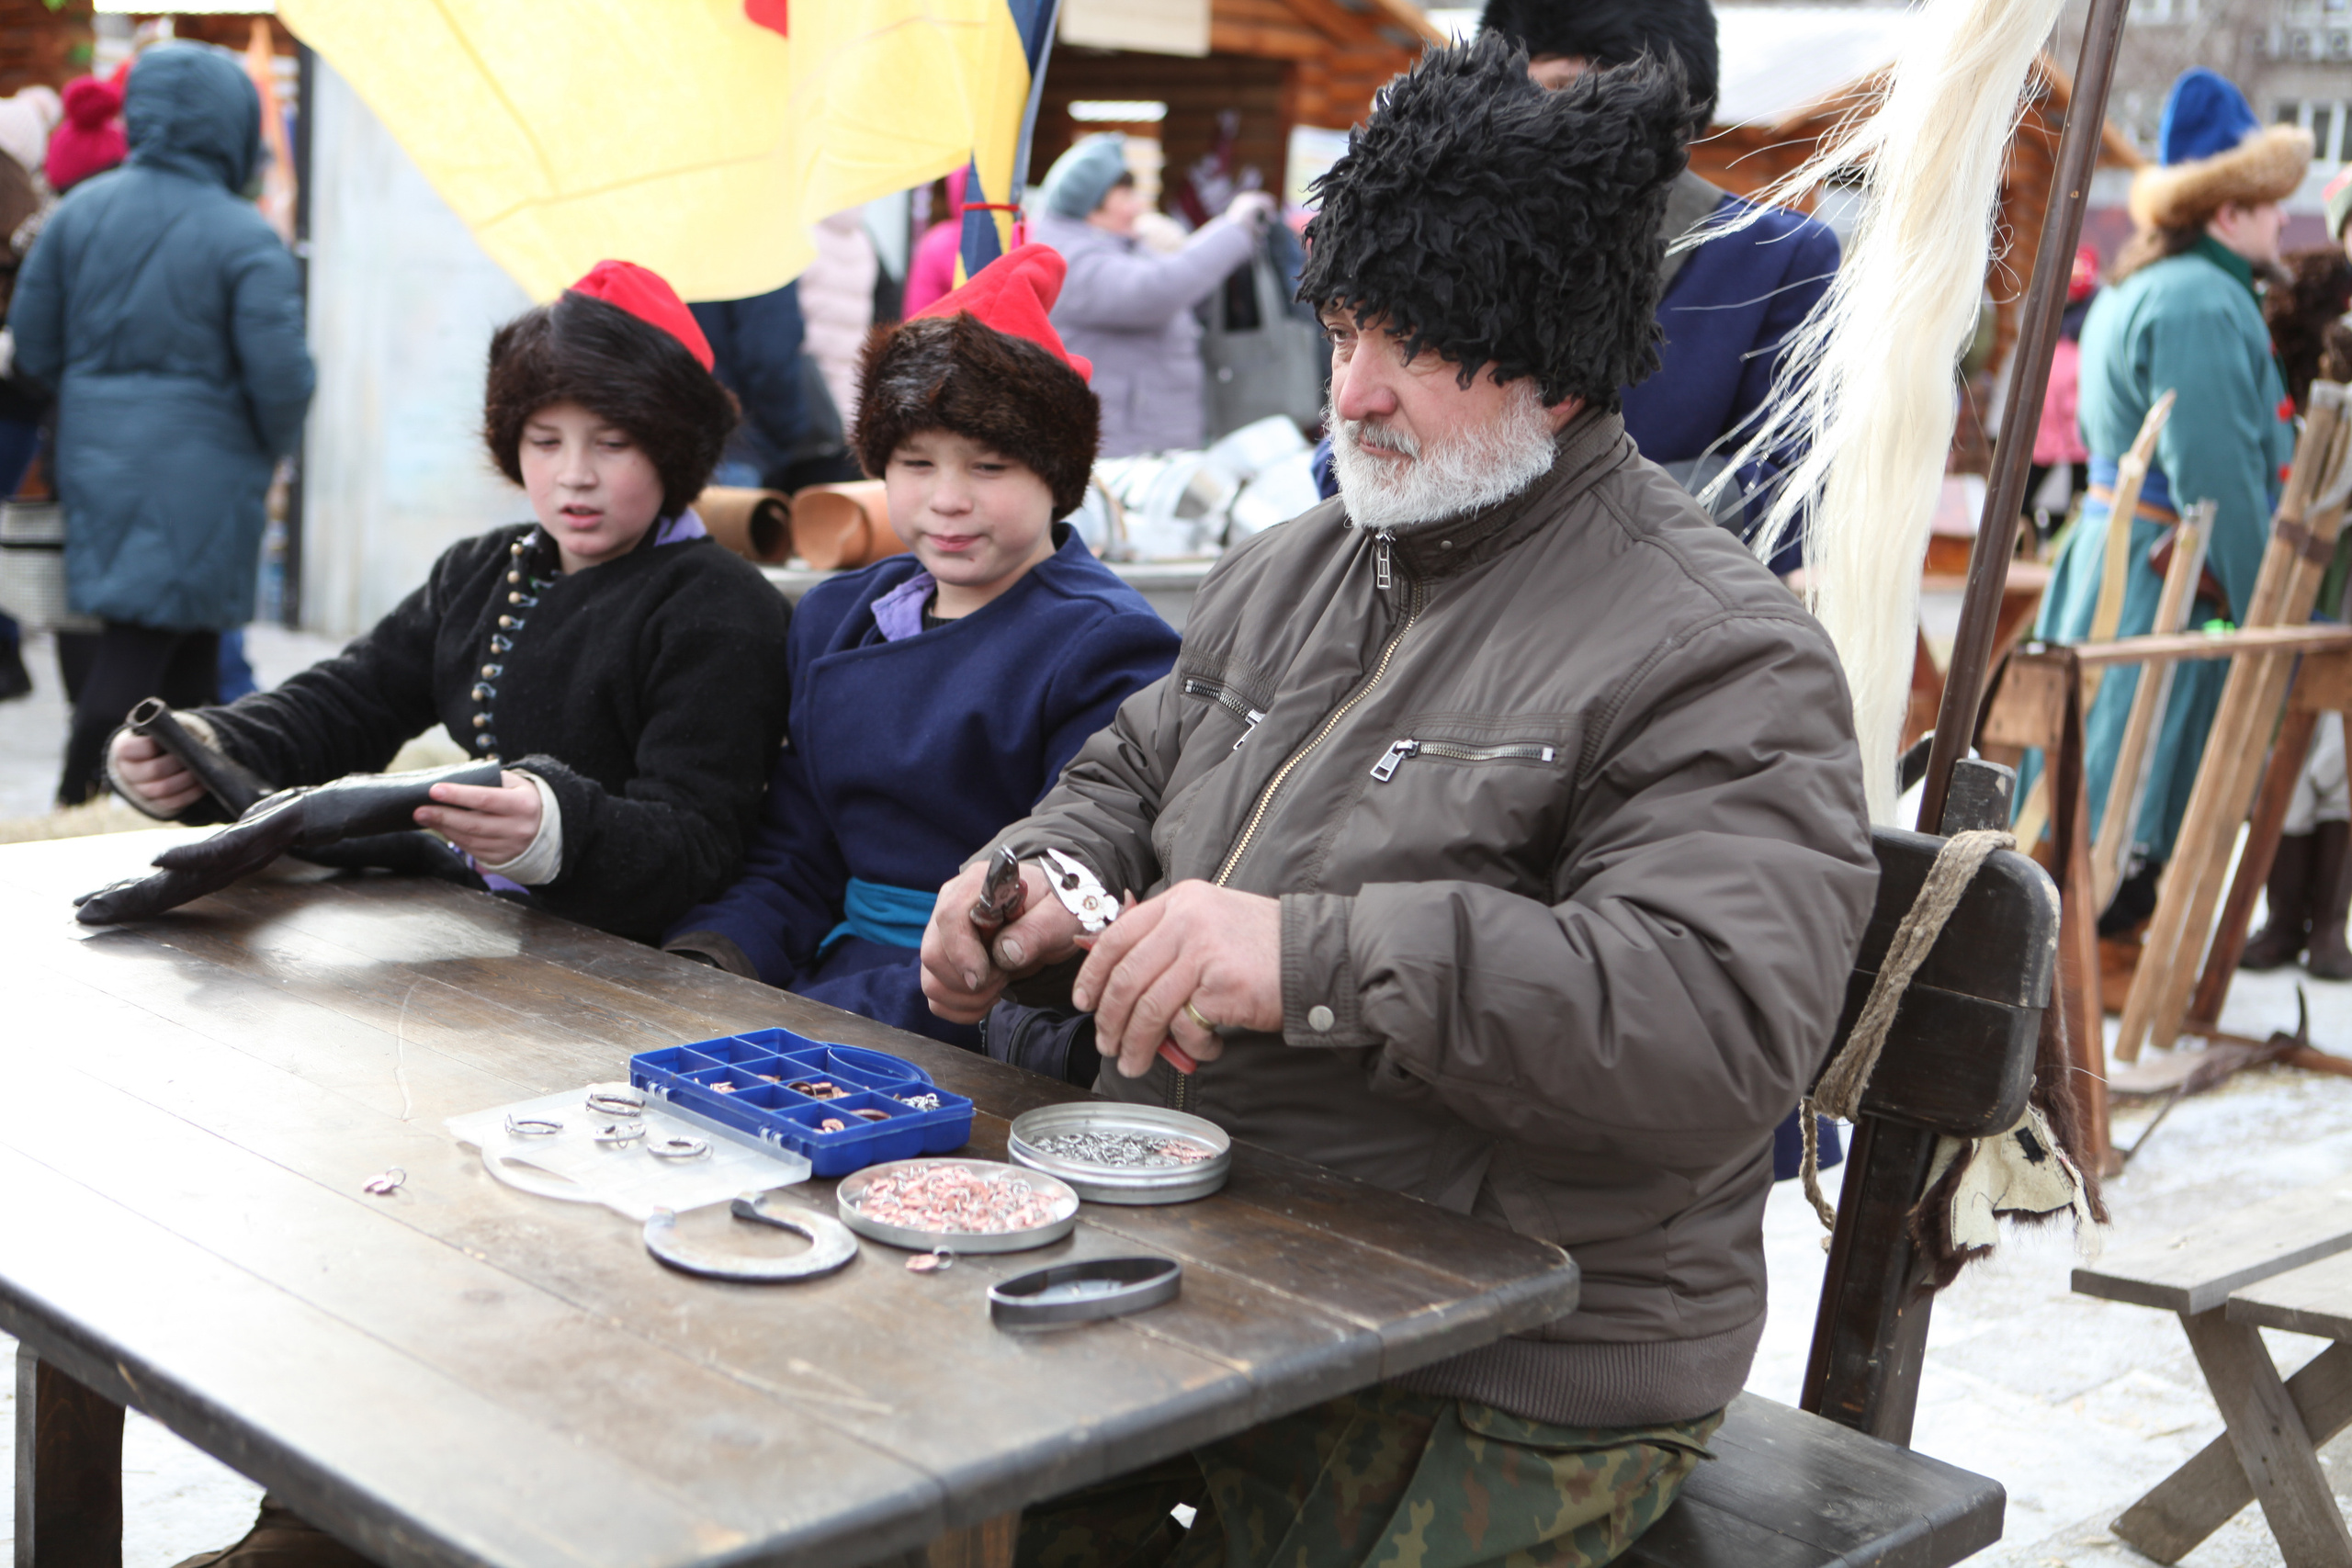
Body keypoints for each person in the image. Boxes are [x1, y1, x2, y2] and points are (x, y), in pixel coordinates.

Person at [923, 39, 1874, 1568]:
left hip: (1507, 1359)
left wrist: (1311, 955)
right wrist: (1045, 871)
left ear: (1558, 361)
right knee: (880, 1491)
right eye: (1347, 324)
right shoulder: (1294, 568)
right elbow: (1134, 770)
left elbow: (1716, 1029)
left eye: (1416, 345)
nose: (1350, 390)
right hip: (1229, 1271)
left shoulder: (1719, 651)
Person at [100, 260, 792, 946]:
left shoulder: (721, 607)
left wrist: (555, 827)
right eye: (545, 442)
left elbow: (700, 841)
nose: (575, 476)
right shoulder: (483, 569)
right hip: (472, 928)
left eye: (613, 443)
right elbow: (353, 698)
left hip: (631, 961)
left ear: (673, 451)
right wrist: (203, 748)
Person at [663, 244, 1180, 1049]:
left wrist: (812, 1019)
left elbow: (1056, 911)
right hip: (825, 981)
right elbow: (798, 851)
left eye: (990, 465)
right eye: (914, 463)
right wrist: (717, 958)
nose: (947, 500)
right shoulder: (838, 615)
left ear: (1058, 476)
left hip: (987, 1017)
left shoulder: (1105, 642)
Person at [2033, 68, 2304, 940]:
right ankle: (2088, 975)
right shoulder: (2200, 298)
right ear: (2227, 212)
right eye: (2266, 203)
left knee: (2095, 785)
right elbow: (2217, 480)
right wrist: (2269, 607)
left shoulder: (2153, 282)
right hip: (2162, 574)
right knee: (2123, 806)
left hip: (2124, 557)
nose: (2278, 220)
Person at [9, 43, 315, 807]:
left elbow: (33, 346)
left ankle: (201, 822)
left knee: (187, 659)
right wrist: (268, 447)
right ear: (233, 124)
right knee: (144, 651)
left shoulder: (76, 214)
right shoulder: (243, 235)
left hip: (96, 458)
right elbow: (282, 376)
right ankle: (73, 812)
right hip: (208, 470)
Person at [1029, 132, 1274, 457]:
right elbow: (1155, 292)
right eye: (1126, 194)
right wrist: (1235, 229)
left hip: (1144, 442)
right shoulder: (1064, 257)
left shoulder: (1111, 243)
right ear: (1091, 203)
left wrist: (1170, 247)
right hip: (1120, 452)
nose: (1137, 206)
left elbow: (1184, 297)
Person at [2028, 245, 2100, 527]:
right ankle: (2025, 530)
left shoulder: (2095, 309)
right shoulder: (2051, 306)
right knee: (2036, 471)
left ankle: (2075, 528)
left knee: (2081, 482)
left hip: (2077, 408)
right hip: (2050, 408)